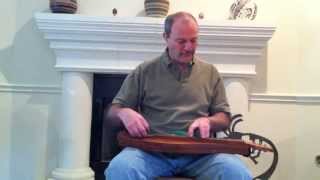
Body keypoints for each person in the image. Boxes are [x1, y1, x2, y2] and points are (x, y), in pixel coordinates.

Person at [105, 11, 252, 180]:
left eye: (193, 40)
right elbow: (110, 114)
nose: (189, 47)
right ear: (166, 37)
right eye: (181, 41)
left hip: (200, 154)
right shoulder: (145, 71)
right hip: (151, 153)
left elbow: (224, 118)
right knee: (120, 169)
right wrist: (124, 113)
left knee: (237, 172)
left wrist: (209, 121)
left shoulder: (210, 72)